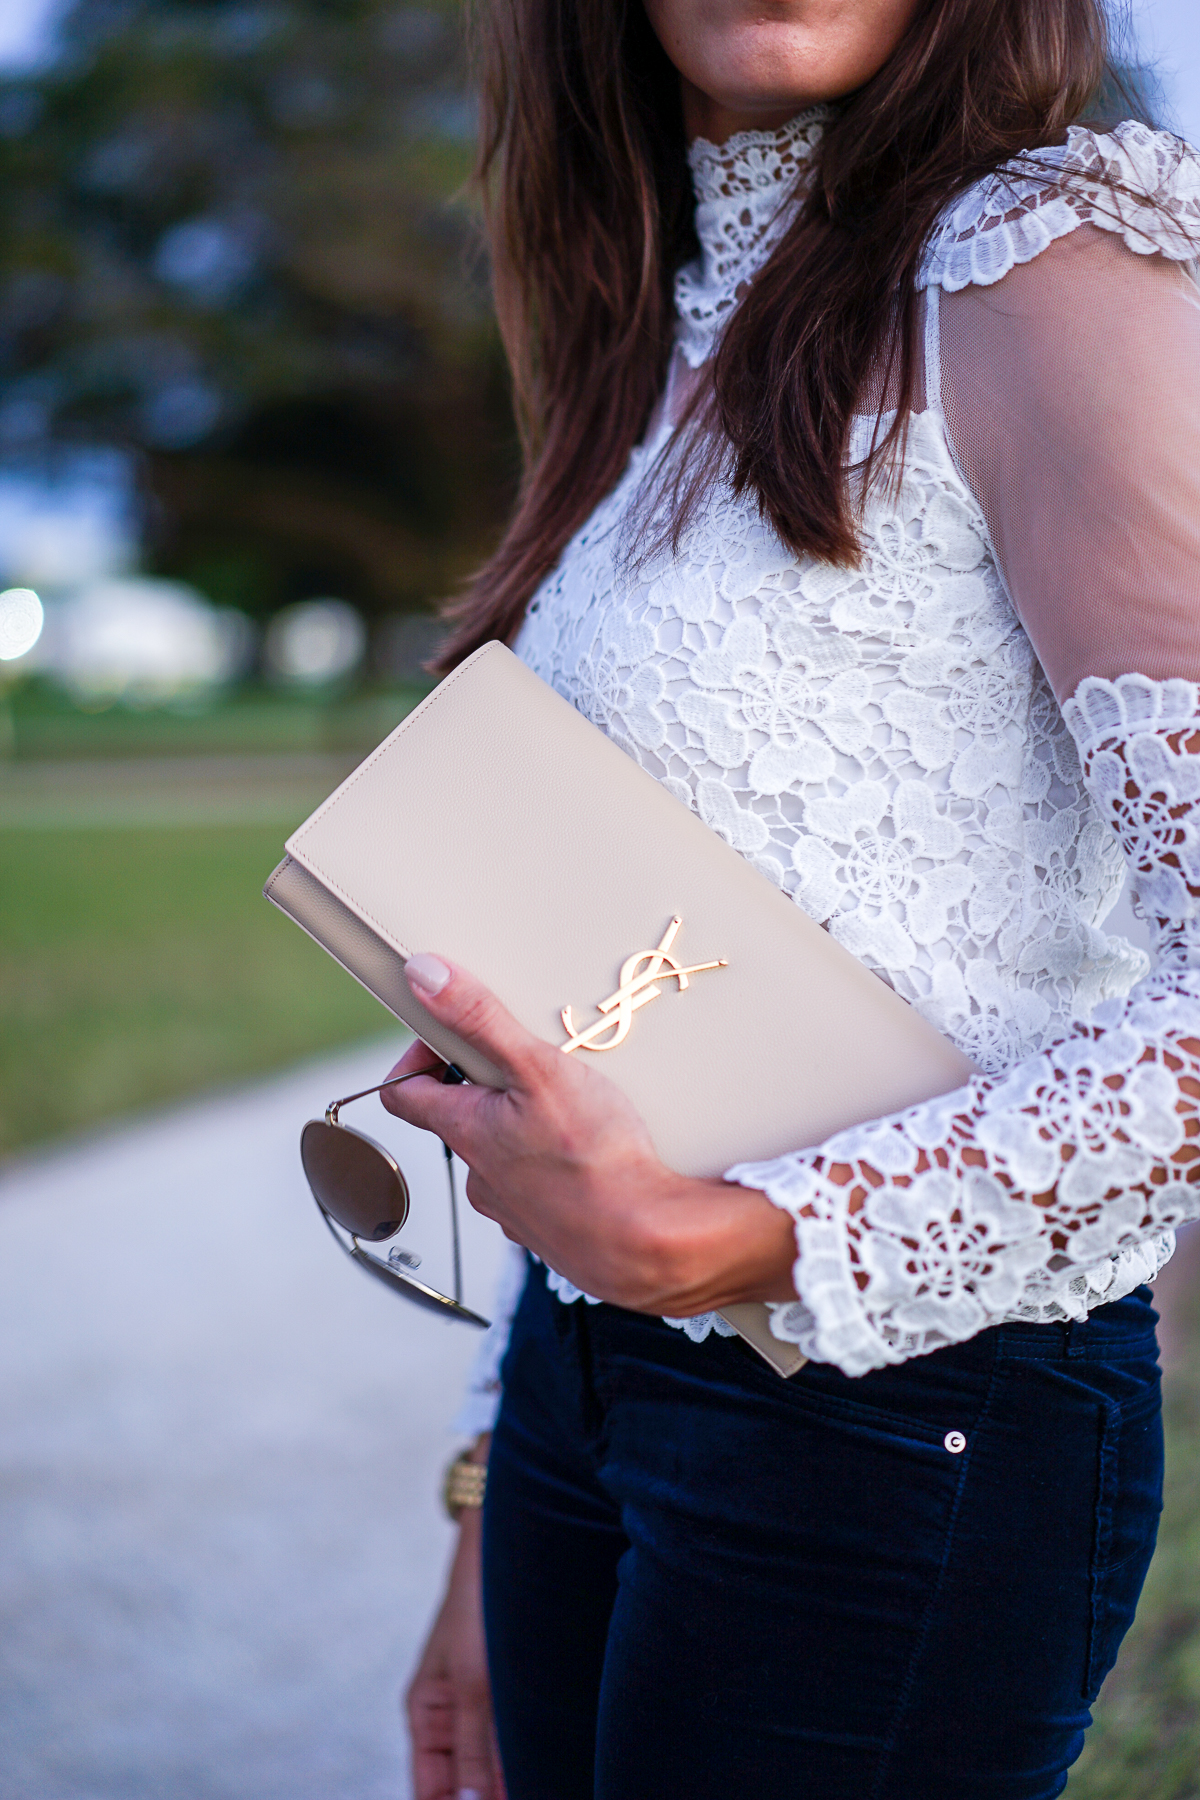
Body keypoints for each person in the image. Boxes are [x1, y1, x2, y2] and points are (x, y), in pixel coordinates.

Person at [381, 1, 1200, 1794]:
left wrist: (751, 1243)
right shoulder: (645, 330)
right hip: (580, 1387)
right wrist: (493, 1484)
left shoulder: (1042, 265)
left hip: (913, 1420)